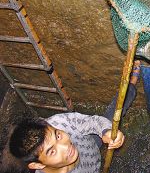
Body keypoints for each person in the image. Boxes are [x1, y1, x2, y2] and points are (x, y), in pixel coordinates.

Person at [8, 60, 141, 173]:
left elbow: (93, 122)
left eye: (58, 136)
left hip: (90, 143)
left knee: (112, 116)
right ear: (37, 165)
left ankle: (131, 85)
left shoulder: (58, 123)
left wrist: (106, 131)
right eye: (52, 151)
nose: (65, 146)